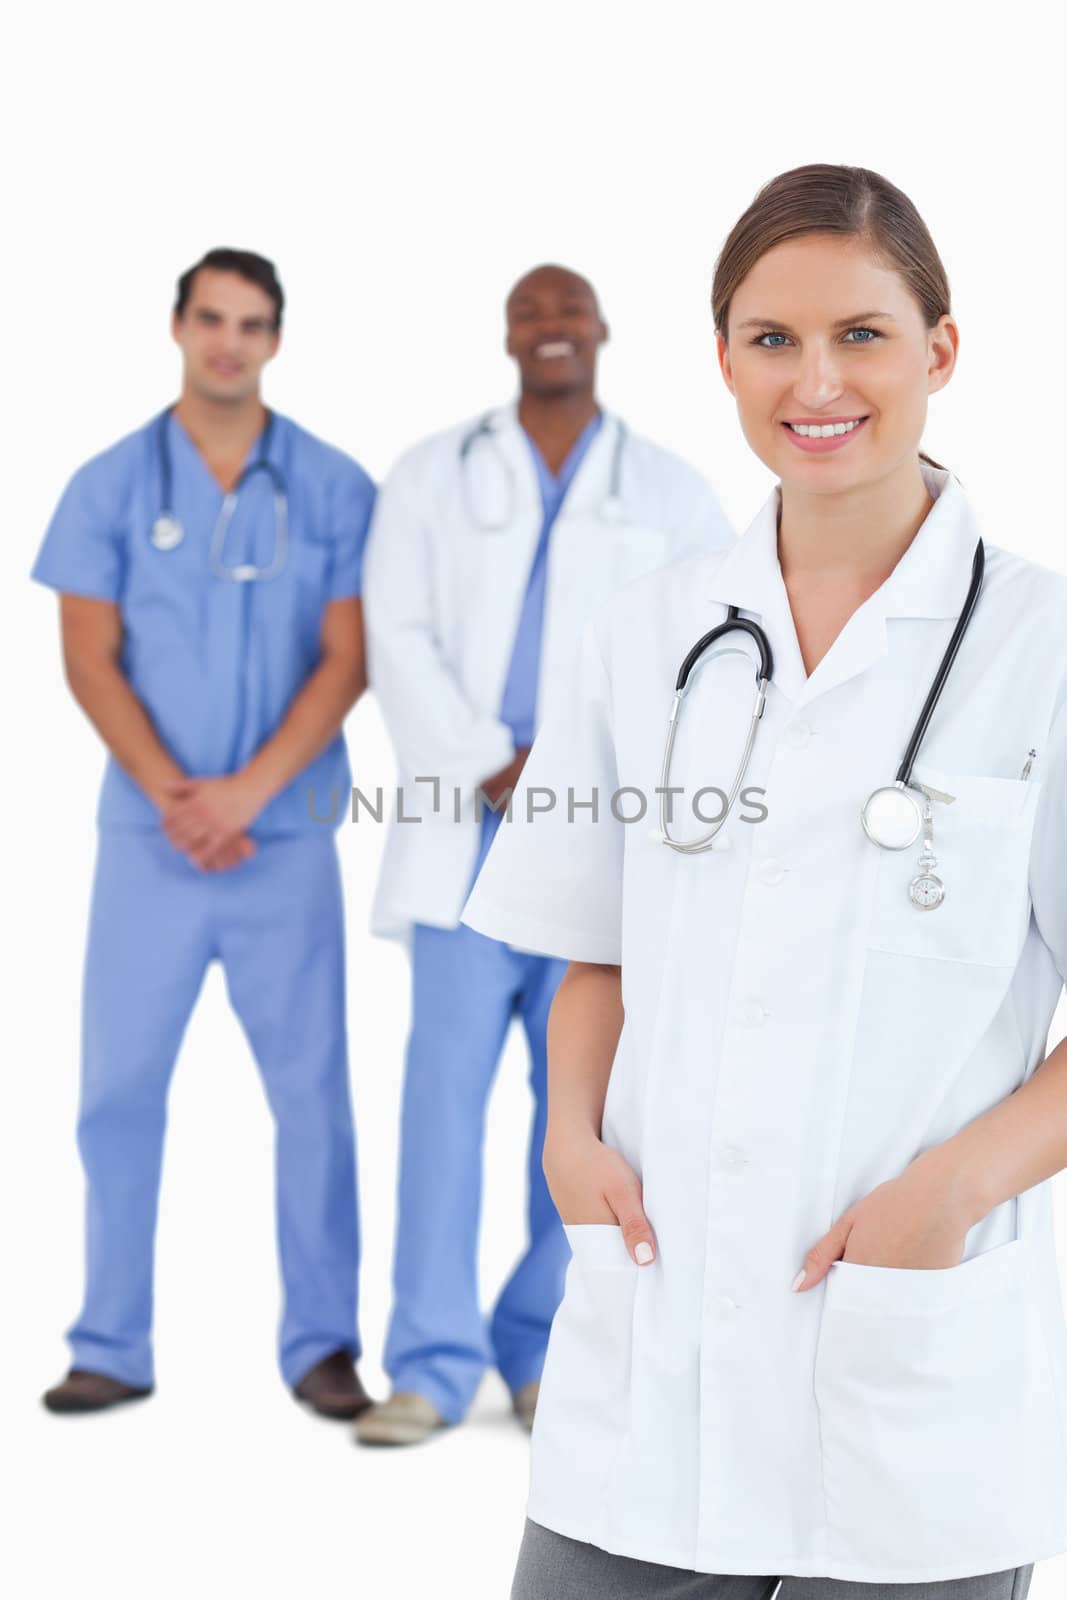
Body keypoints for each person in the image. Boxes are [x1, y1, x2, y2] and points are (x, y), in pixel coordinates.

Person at [462, 167, 1067, 1597]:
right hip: (646, 1346)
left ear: (940, 348)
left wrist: (944, 1197)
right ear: (721, 355)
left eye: (859, 334)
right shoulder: (644, 631)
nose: (815, 381)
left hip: (903, 1364)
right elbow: (586, 940)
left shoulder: (1040, 643)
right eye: (769, 337)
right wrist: (566, 1134)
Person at [356, 263, 734, 1446]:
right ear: (508, 332)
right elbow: (393, 628)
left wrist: (579, 768)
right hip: (465, 838)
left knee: (582, 1109)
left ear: (601, 329)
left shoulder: (668, 488)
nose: (551, 326)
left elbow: (712, 651)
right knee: (440, 1105)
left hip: (599, 842)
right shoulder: (430, 473)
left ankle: (534, 1347)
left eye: (569, 309)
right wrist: (485, 757)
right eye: (530, 310)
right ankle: (425, 1363)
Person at [34, 248, 376, 1422]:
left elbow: (347, 658)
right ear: (177, 326)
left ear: (276, 339)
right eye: (212, 318)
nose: (230, 340)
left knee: (312, 1097)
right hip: (148, 843)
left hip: (281, 843)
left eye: (254, 323)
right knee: (116, 1090)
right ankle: (110, 1341)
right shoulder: (109, 485)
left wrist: (245, 794)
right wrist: (181, 792)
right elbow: (88, 660)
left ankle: (322, 1344)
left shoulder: (331, 485)